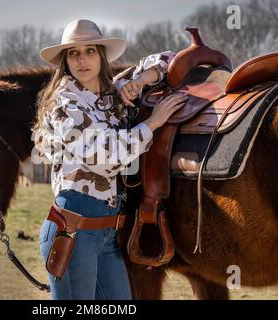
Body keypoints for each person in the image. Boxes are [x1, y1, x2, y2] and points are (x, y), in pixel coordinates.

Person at [32, 19, 187, 300]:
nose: (82, 60)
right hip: (74, 230)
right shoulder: (66, 105)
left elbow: (171, 59)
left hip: (106, 231)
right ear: (65, 61)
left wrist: (140, 81)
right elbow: (105, 158)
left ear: (101, 56)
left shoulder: (110, 94)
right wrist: (153, 123)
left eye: (90, 51)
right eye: (73, 53)